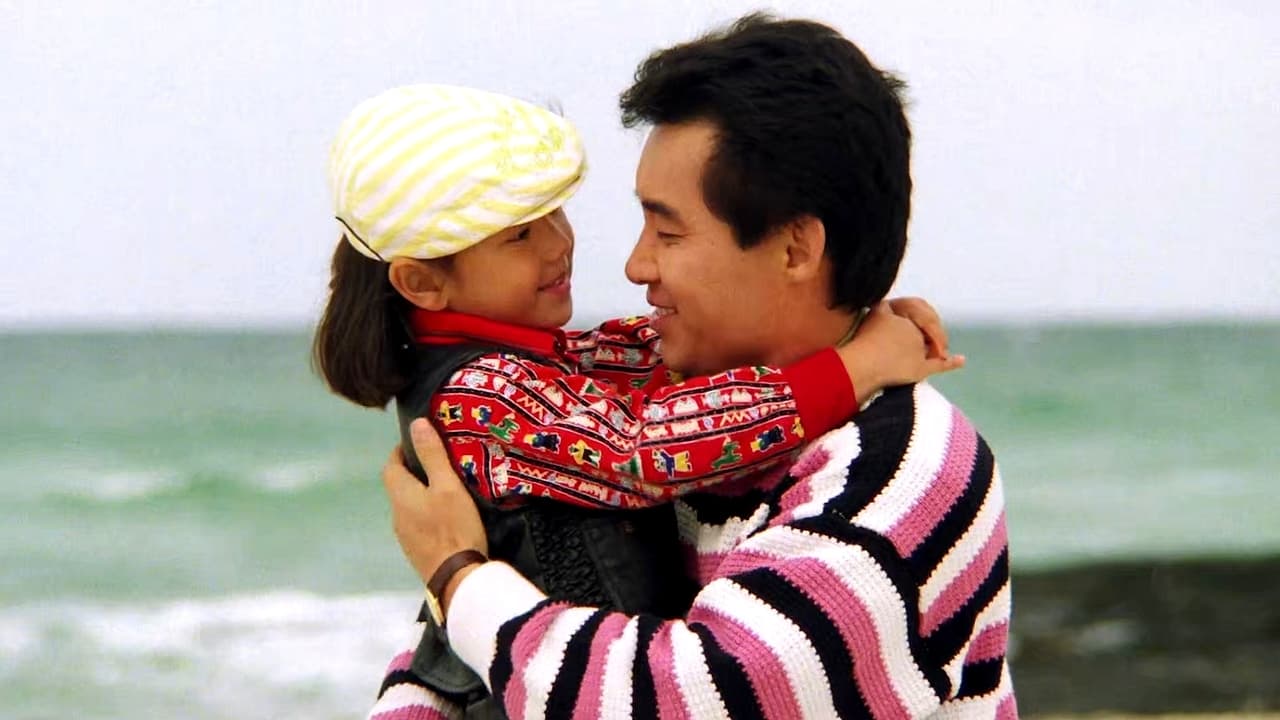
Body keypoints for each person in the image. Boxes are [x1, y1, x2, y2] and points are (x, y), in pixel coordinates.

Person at [371, 13, 1016, 720]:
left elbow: (684, 698)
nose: (635, 265)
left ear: (796, 250)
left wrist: (458, 578)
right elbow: (472, 648)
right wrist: (462, 585)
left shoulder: (903, 474)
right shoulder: (680, 416)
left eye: (668, 232)